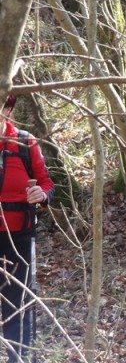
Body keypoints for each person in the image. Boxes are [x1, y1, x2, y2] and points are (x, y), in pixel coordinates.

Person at [0, 95, 54, 362]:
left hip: (20, 236)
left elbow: (47, 184)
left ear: (8, 108)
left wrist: (41, 195)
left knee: (18, 302)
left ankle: (19, 357)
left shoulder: (24, 141)